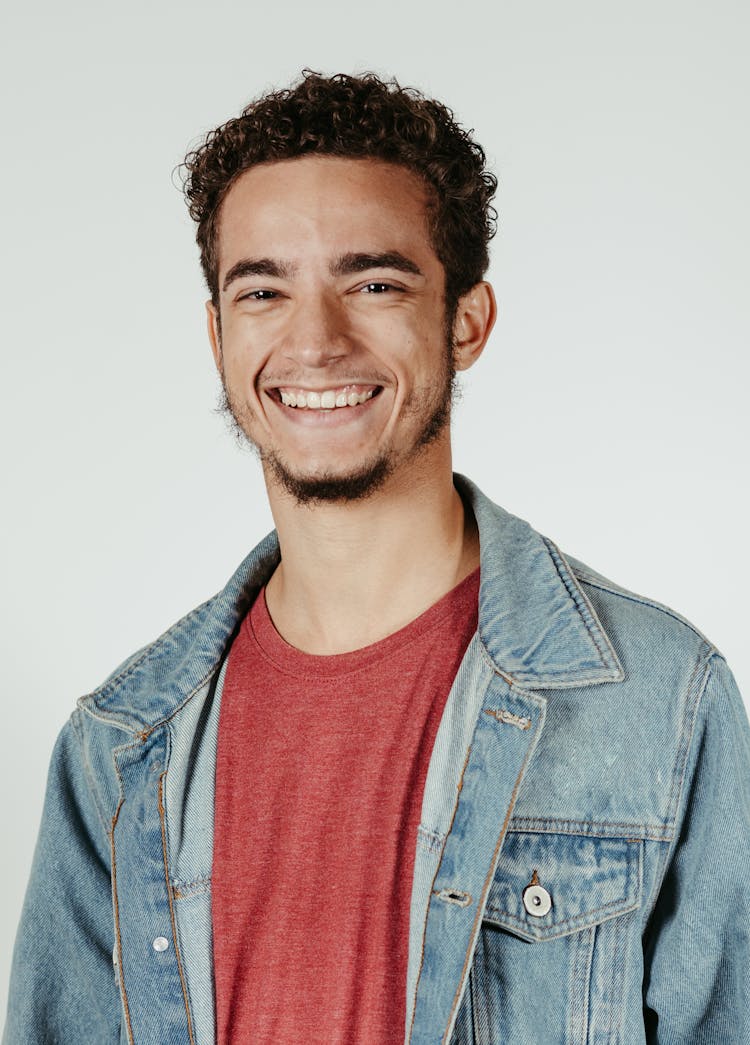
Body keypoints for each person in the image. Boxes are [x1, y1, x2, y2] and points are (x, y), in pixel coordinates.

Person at [4, 70, 749, 1045]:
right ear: (218, 335)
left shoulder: (657, 698)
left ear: (468, 320)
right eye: (263, 289)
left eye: (374, 282)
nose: (315, 340)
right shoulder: (120, 746)